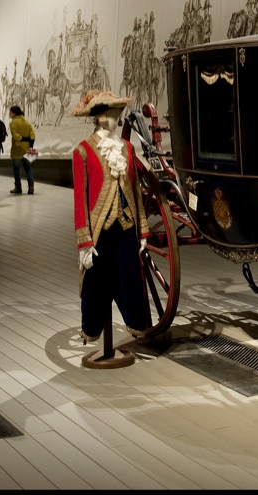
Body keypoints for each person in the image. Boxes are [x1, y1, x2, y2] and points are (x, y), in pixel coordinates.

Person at [70, 90, 151, 343]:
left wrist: (143, 229)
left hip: (126, 227)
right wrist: (84, 241)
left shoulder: (126, 148)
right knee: (96, 284)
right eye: (116, 114)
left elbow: (136, 191)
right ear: (103, 117)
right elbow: (80, 201)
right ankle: (92, 328)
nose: (119, 118)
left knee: (130, 279)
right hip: (99, 231)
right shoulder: (82, 151)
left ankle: (136, 322)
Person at [7, 104, 37, 195]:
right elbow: (33, 135)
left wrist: (22, 139)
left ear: (13, 113)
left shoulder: (12, 123)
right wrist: (30, 145)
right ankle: (31, 187)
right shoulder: (27, 122)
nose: (9, 114)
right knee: (27, 168)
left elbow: (16, 136)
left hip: (17, 148)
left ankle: (18, 187)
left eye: (10, 112)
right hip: (28, 148)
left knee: (16, 168)